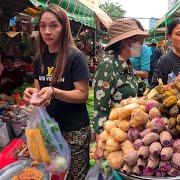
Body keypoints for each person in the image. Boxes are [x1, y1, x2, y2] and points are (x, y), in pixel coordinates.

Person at [23, 4, 91, 179]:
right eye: (43, 26)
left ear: (63, 27)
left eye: (53, 25)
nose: (47, 31)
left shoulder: (75, 57)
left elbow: (83, 94)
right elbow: (39, 90)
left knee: (74, 176)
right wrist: (32, 94)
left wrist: (54, 91)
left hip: (74, 132)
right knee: (53, 175)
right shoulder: (39, 59)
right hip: (50, 132)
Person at [92, 19, 148, 133]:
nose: (142, 44)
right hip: (113, 132)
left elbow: (140, 88)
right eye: (140, 40)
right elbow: (100, 108)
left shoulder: (126, 63)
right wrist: (100, 139)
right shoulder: (108, 66)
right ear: (127, 42)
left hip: (127, 129)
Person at [129, 19, 152, 85]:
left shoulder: (143, 48)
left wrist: (129, 72)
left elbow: (145, 74)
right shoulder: (126, 47)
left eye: (140, 38)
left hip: (140, 83)